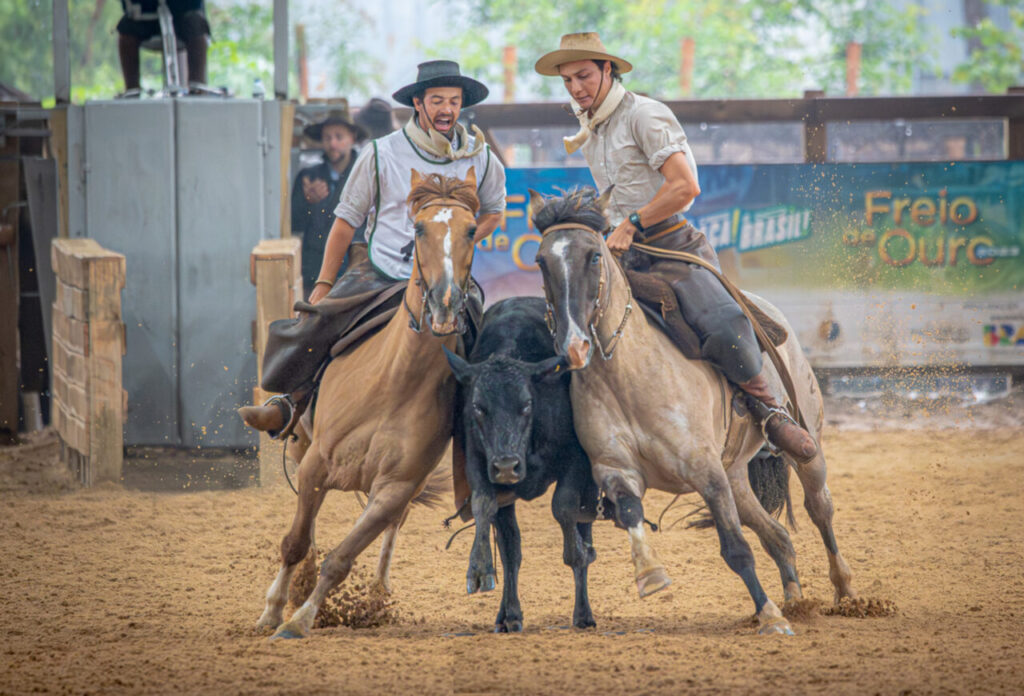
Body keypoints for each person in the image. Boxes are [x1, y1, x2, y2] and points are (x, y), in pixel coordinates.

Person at [534, 33, 815, 460]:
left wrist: (632, 222)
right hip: (621, 250)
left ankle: (768, 409)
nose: (576, 88)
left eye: (584, 75)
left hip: (672, 245)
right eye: (568, 79)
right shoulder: (591, 127)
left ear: (608, 70)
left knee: (720, 322)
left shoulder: (644, 115)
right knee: (566, 317)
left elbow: (685, 186)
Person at [239, 60, 506, 437]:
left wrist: (449, 247)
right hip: (381, 271)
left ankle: (488, 432)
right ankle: (288, 402)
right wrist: (325, 282)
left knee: (491, 339)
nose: (447, 109)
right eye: (437, 100)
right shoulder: (382, 153)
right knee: (319, 321)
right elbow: (346, 220)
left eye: (454, 101)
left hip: (448, 277)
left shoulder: (481, 156)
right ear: (418, 103)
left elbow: (495, 212)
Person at [291, 110, 367, 296]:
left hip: (355, 272)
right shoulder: (308, 177)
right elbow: (294, 223)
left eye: (339, 137)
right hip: (315, 273)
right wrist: (307, 202)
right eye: (327, 138)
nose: (332, 144)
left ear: (352, 138)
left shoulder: (366, 175)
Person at [116, 0, 210, 95]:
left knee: (197, 26)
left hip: (182, 14)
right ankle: (132, 91)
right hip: (144, 15)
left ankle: (197, 88)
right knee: (126, 30)